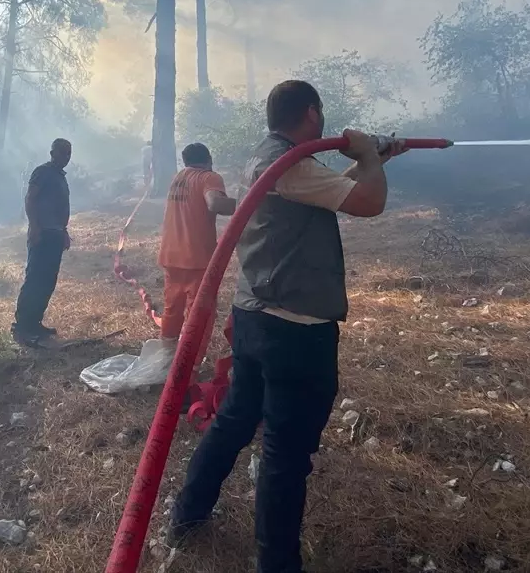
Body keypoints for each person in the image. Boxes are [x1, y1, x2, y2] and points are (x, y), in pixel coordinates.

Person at [168, 80, 405, 573]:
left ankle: (187, 515)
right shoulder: (293, 164)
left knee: (234, 421)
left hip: (256, 317)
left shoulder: (271, 156)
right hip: (295, 330)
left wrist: (375, 159)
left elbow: (328, 189)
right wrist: (371, 160)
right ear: (313, 115)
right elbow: (369, 203)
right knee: (284, 452)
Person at [158, 143, 236, 342]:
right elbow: (215, 203)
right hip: (197, 258)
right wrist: (247, 200)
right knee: (200, 315)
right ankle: (191, 365)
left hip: (171, 255)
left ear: (185, 161)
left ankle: (167, 356)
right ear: (209, 159)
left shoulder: (178, 178)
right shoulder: (209, 177)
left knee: (172, 310)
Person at [12, 138, 72, 346]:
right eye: (62, 152)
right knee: (35, 279)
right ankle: (22, 327)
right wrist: (35, 227)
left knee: (48, 280)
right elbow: (30, 199)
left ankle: (35, 322)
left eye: (68, 153)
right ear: (52, 152)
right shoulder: (42, 172)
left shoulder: (60, 176)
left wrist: (64, 231)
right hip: (42, 233)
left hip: (55, 233)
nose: (66, 157)